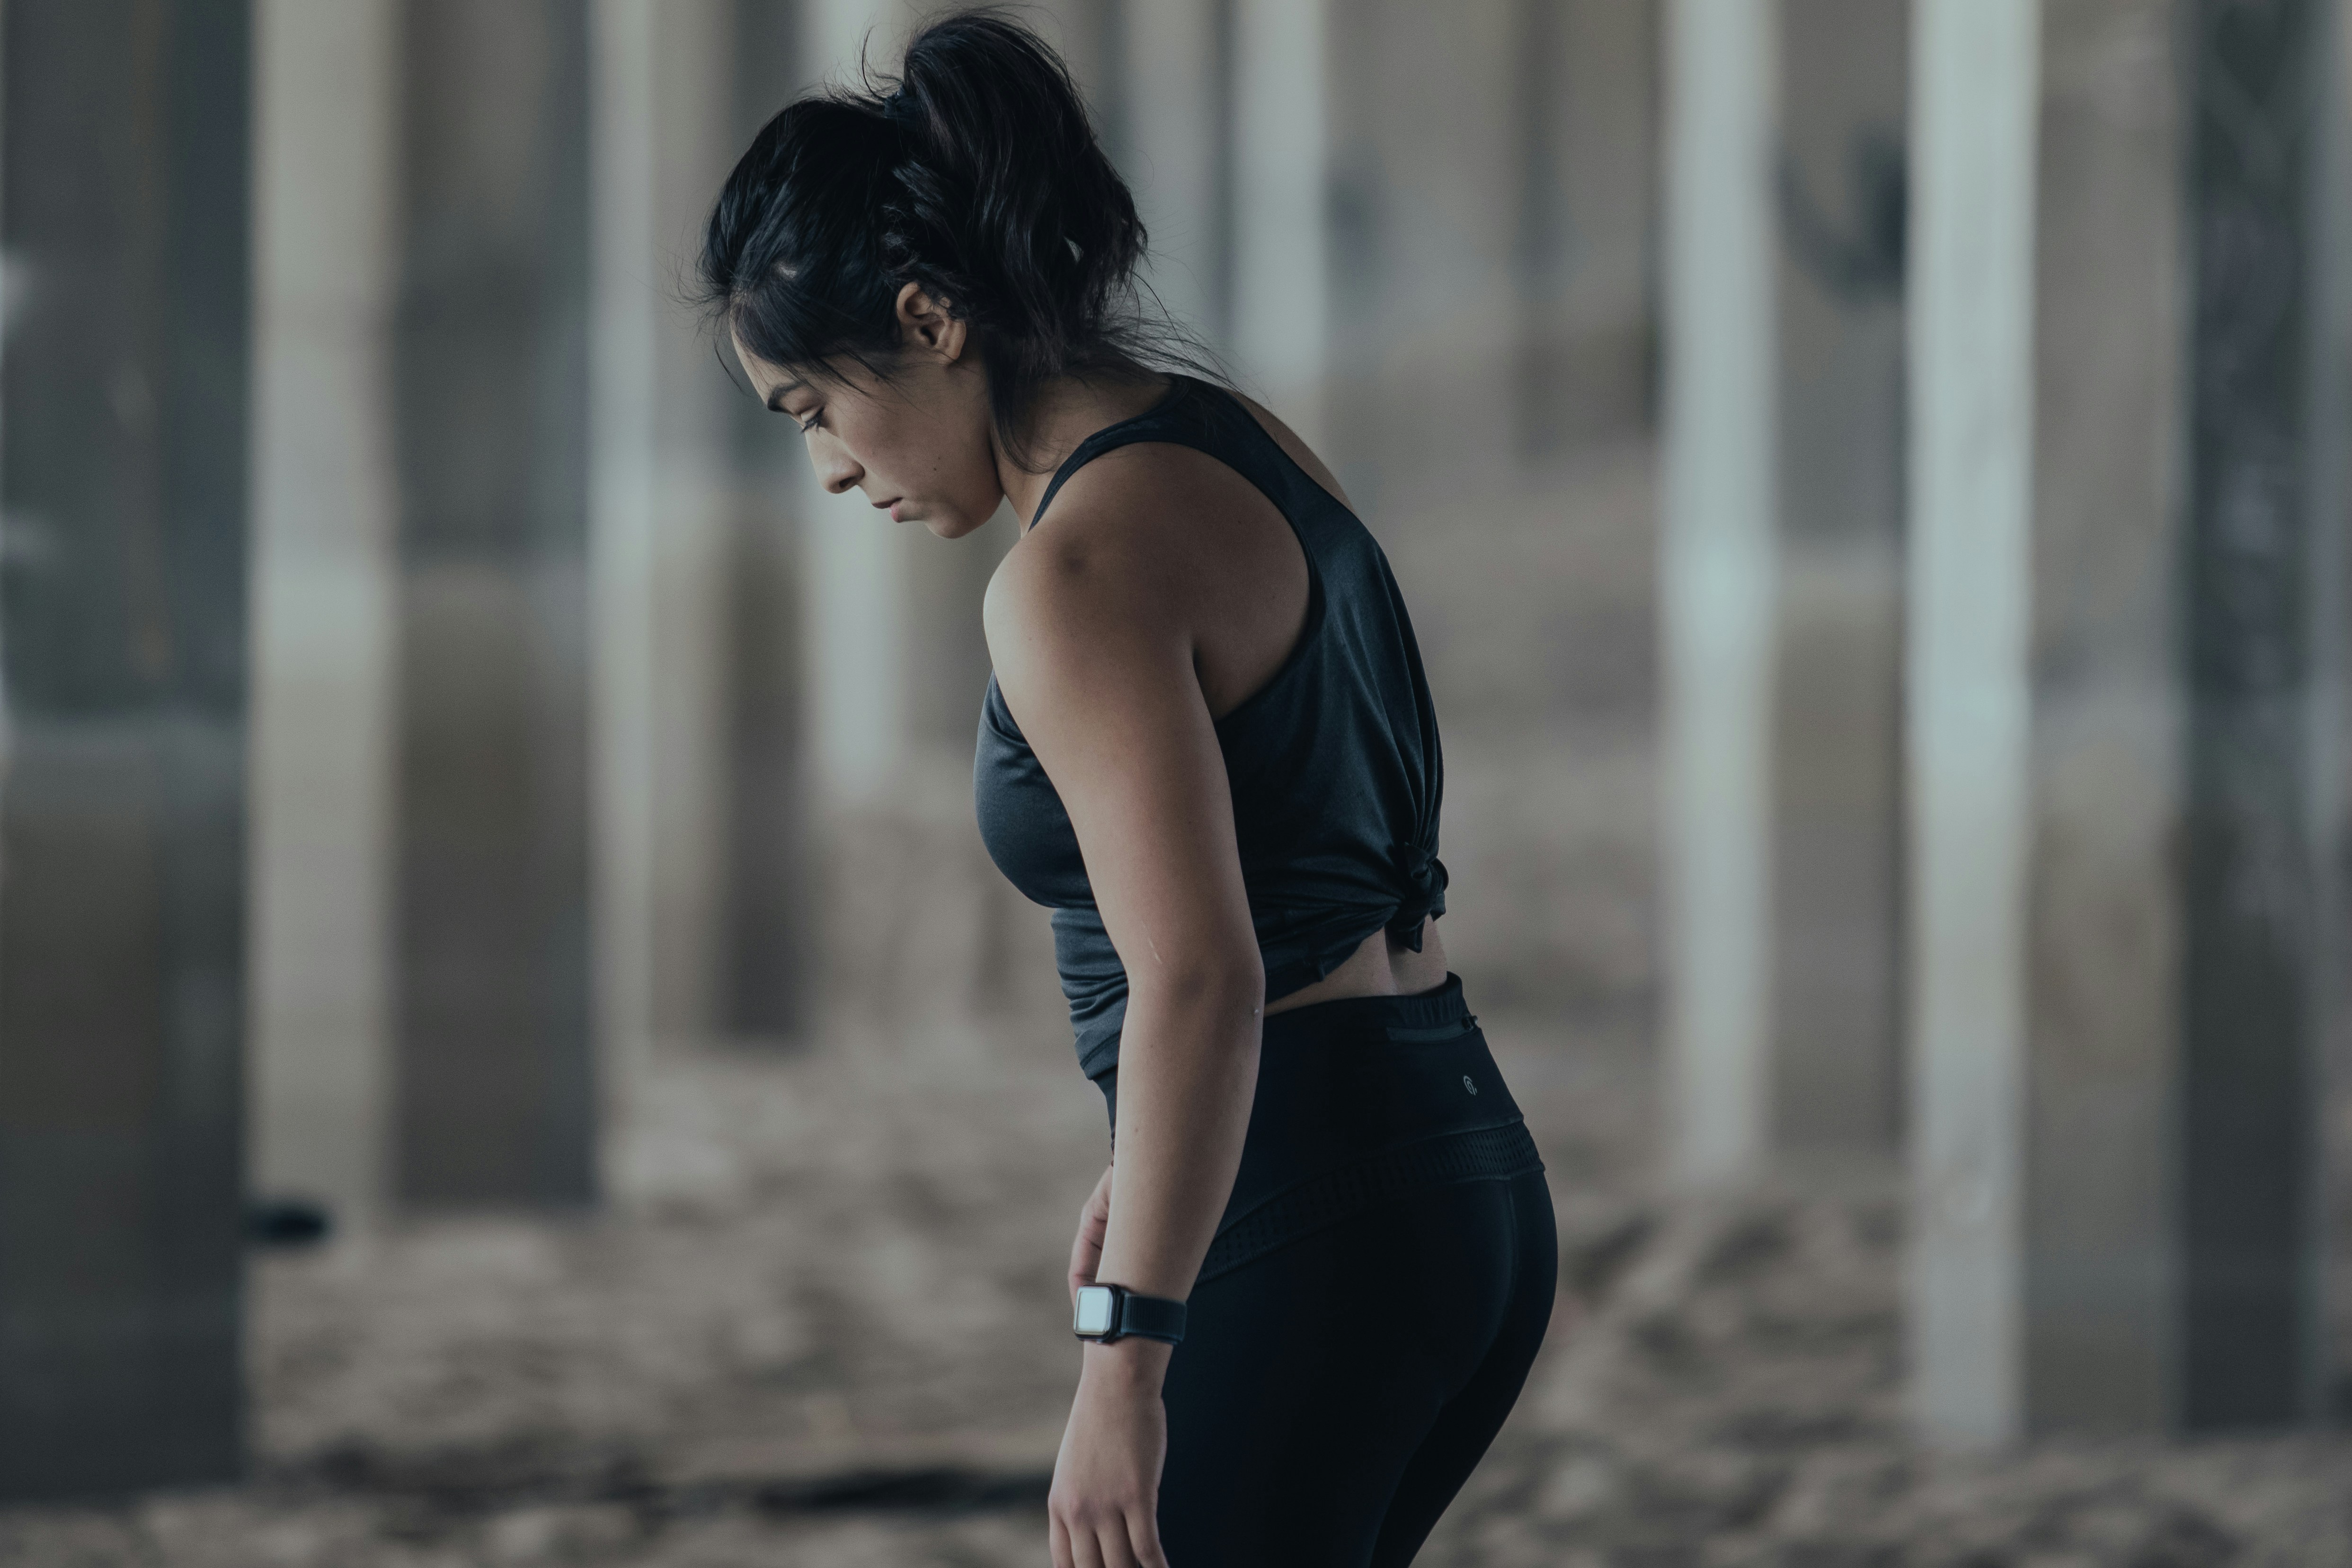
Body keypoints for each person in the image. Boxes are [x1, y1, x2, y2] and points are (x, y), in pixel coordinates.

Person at [696, 12, 1555, 1564]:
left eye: (814, 407)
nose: (827, 466)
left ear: (928, 317)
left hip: (1308, 1208)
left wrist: (1122, 1357)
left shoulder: (1069, 577)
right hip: (1462, 1158)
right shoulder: (1236, 441)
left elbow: (1204, 977)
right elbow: (1306, 848)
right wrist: (1156, 1163)